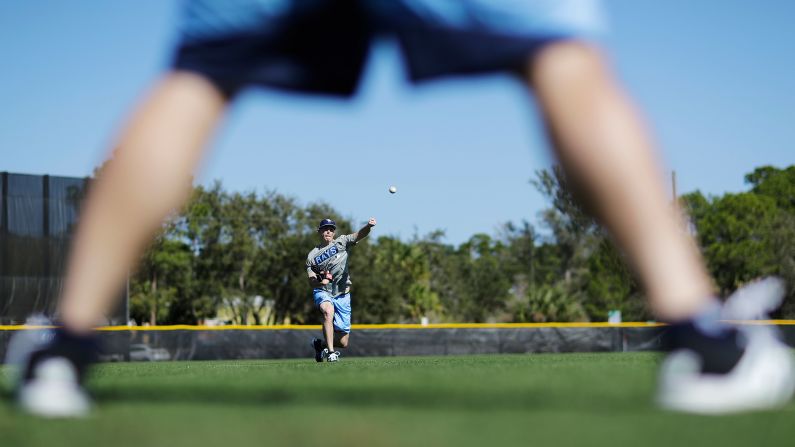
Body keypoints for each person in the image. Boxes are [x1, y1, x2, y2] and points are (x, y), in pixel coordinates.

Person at [10, 0, 793, 417]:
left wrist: (363, 231)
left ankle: (62, 350)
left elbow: (346, 239)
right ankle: (704, 342)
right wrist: (333, 251)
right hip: (325, 292)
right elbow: (318, 256)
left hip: (343, 291)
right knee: (565, 61)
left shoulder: (341, 239)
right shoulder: (316, 252)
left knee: (199, 77)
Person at [306, 218, 375, 362]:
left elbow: (359, 235)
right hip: (323, 290)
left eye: (331, 229)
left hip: (342, 294)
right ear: (319, 231)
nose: (328, 231)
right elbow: (311, 280)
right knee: (327, 311)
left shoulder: (342, 242)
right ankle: (331, 353)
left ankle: (320, 345)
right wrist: (320, 281)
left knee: (343, 342)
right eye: (325, 229)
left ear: (334, 232)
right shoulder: (312, 256)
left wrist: (368, 226)